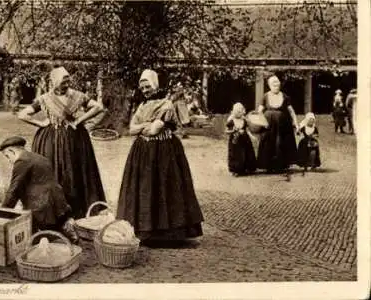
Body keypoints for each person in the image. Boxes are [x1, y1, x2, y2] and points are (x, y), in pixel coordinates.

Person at [116, 69, 204, 244]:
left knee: (166, 187)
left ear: (155, 85)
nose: (145, 90)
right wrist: (145, 126)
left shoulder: (166, 105)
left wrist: (144, 126)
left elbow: (155, 129)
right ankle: (146, 231)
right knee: (144, 188)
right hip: (143, 152)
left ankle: (168, 233)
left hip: (164, 151)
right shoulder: (141, 106)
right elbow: (132, 129)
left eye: (147, 86)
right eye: (142, 87)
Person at [18, 67, 106, 219]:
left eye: (67, 82)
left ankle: (75, 208)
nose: (65, 85)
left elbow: (98, 107)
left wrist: (80, 120)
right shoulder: (45, 99)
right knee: (51, 170)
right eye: (62, 83)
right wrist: (40, 124)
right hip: (51, 140)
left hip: (75, 139)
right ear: (53, 82)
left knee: (75, 170)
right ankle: (51, 209)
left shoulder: (77, 96)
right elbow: (22, 114)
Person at [0, 136, 78, 242]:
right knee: (54, 228)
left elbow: (14, 189)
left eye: (7, 156)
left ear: (11, 150)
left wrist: (2, 213)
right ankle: (67, 233)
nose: (9, 160)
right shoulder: (39, 157)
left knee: (34, 235)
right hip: (57, 201)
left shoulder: (22, 161)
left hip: (42, 205)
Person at [257, 75, 299, 181]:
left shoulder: (285, 97)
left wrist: (296, 123)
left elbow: (291, 111)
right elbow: (259, 111)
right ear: (269, 85)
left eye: (277, 84)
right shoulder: (265, 96)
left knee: (280, 143)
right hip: (269, 126)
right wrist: (262, 122)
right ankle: (268, 166)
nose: (276, 86)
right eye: (273, 84)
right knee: (269, 144)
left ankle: (280, 166)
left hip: (282, 126)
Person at [225, 102, 257, 176]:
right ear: (233, 112)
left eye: (240, 112)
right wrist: (233, 131)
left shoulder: (244, 121)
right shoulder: (231, 121)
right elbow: (226, 131)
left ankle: (246, 168)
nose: (239, 113)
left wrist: (251, 136)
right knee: (235, 154)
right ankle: (236, 170)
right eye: (237, 112)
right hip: (235, 141)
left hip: (245, 140)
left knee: (246, 153)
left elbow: (247, 130)